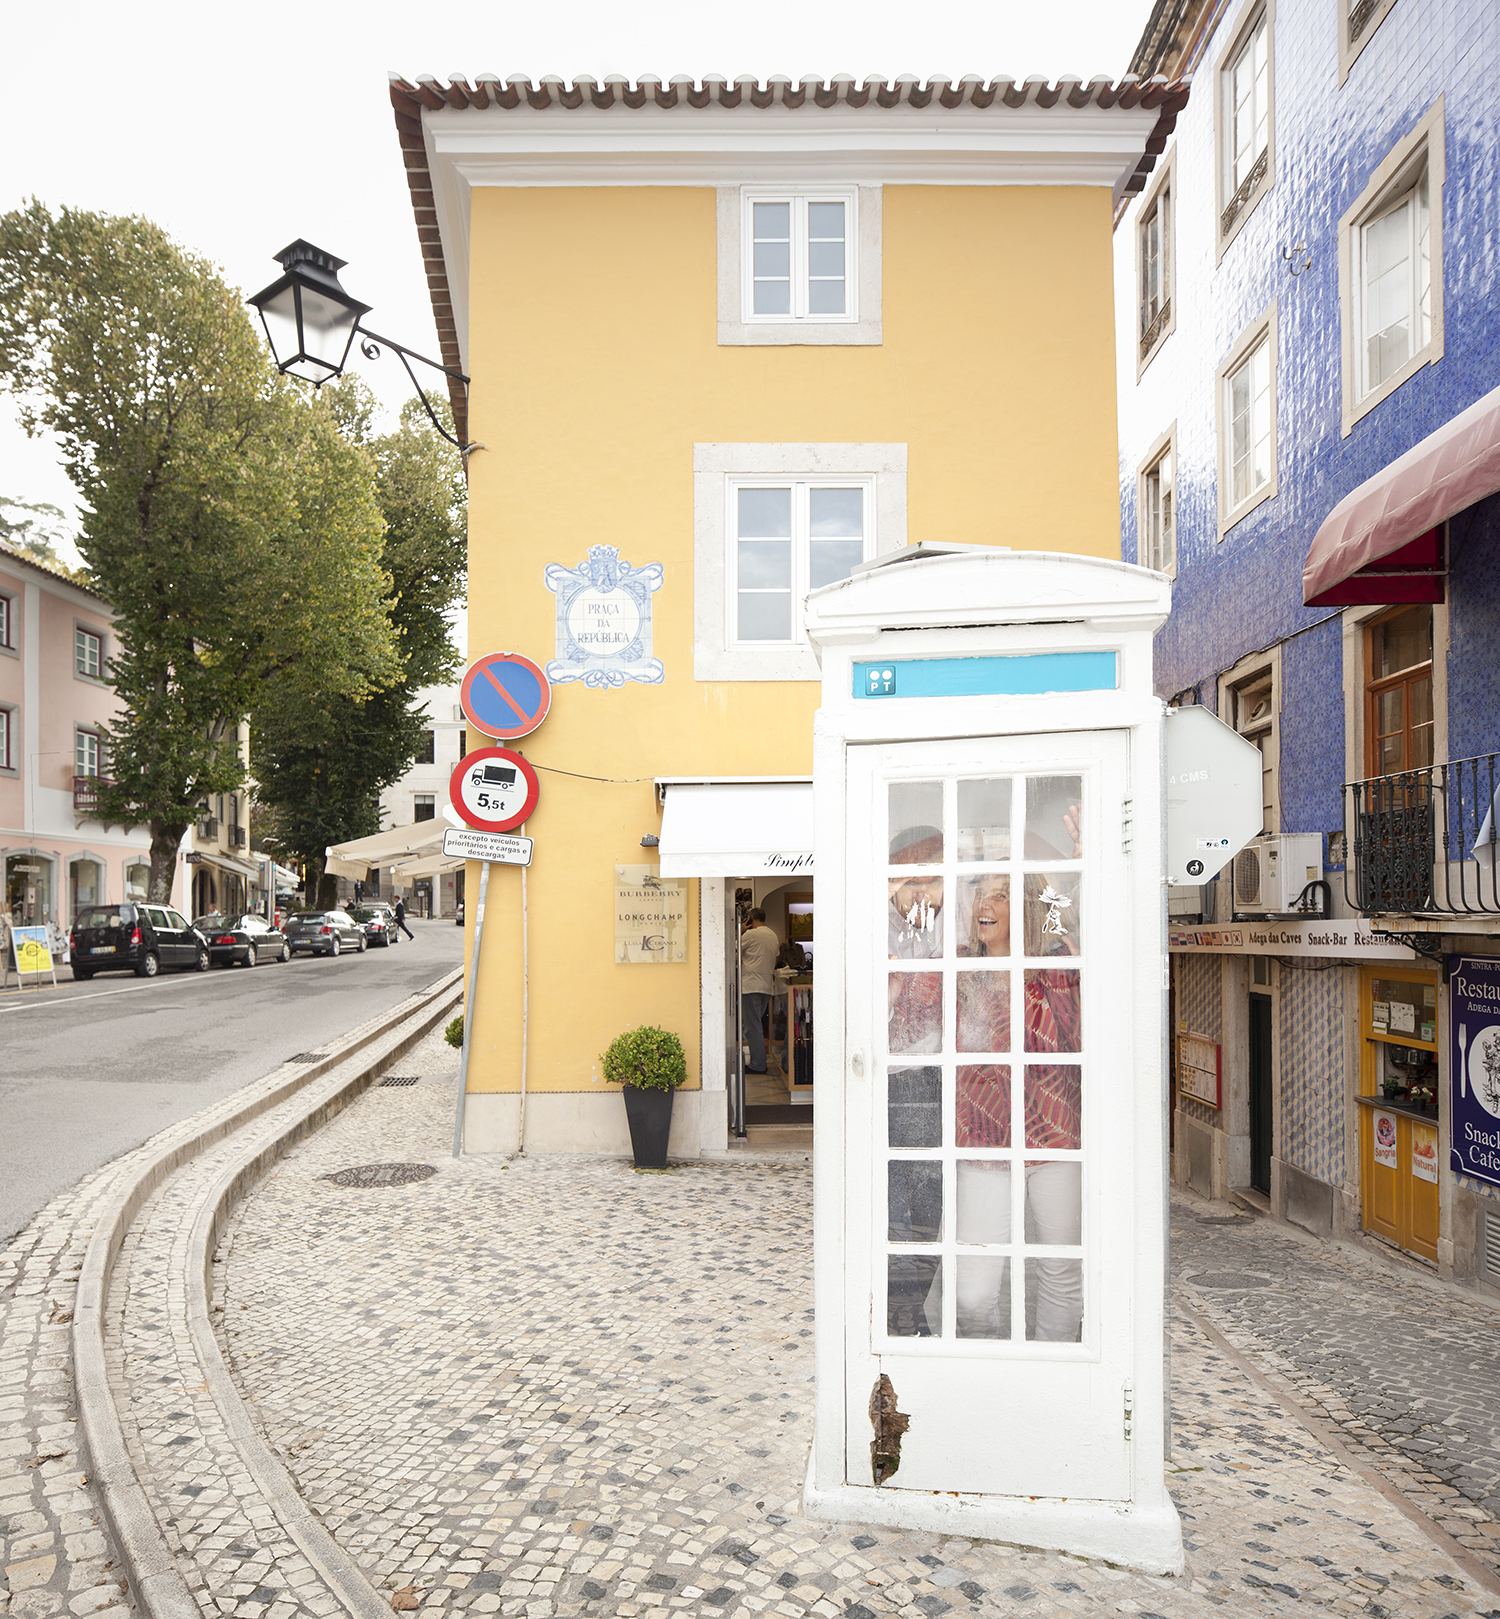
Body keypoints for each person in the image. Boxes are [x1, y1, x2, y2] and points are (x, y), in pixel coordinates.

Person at [740, 908, 779, 1074]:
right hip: (766, 987)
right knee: (755, 1025)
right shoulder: (773, 935)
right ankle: (759, 1062)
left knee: (752, 1027)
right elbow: (776, 957)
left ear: (750, 918)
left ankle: (758, 1065)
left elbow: (729, 949)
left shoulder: (749, 935)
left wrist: (740, 930)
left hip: (751, 985)